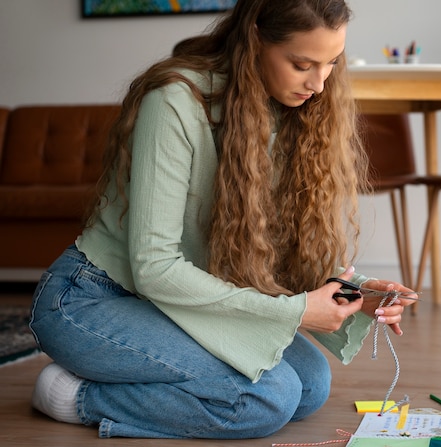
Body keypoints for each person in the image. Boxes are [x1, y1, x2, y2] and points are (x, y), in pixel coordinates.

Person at [29, 0, 416, 439]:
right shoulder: (176, 101)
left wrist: (356, 293)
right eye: (302, 64)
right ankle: (75, 395)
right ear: (254, 42)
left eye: (330, 64)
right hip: (92, 301)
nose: (319, 85)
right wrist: (292, 311)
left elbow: (273, 250)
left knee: (310, 386)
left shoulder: (290, 111)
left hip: (171, 303)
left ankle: (133, 374)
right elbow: (155, 269)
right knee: (267, 398)